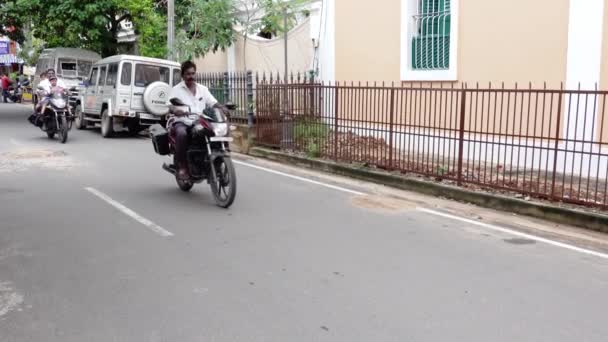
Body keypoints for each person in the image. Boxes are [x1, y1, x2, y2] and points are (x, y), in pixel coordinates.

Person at [167, 60, 225, 180]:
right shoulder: (176, 89)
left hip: (200, 120)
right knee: (182, 133)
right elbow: (170, 105)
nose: (191, 76)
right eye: (188, 74)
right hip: (182, 121)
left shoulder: (203, 89)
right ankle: (183, 166)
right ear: (183, 75)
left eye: (193, 73)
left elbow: (213, 103)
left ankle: (217, 160)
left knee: (217, 131)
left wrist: (222, 108)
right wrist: (175, 110)